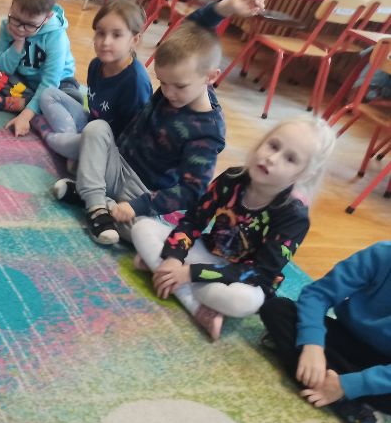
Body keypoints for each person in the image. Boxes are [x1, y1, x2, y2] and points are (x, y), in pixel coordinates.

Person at [52, 0, 266, 246]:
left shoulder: (207, 133)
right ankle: (98, 206)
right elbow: (193, 27)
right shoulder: (180, 77)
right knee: (97, 128)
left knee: (143, 235)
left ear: (210, 77)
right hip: (118, 162)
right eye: (163, 83)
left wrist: (138, 206)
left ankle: (90, 196)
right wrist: (229, 6)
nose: (169, 93)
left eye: (179, 86)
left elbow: (192, 190)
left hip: (142, 190)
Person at [131, 117, 336, 341]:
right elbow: (193, 221)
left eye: (290, 159)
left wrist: (190, 273)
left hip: (245, 280)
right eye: (273, 145)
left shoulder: (294, 217)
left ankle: (161, 271)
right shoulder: (231, 178)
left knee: (244, 301)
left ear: (304, 174)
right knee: (142, 227)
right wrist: (174, 257)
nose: (272, 158)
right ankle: (190, 297)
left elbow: (260, 272)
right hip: (210, 253)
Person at [260, 242, 391, 423]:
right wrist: (313, 344)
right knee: (277, 309)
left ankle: (331, 384)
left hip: (383, 371)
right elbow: (318, 294)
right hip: (346, 338)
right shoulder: (382, 254)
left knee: (291, 337)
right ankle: (356, 407)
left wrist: (349, 384)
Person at [34, 0, 152, 170]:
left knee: (63, 139)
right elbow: (91, 113)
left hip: (108, 146)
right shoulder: (96, 65)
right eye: (101, 33)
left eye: (116, 35)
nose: (105, 41)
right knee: (49, 95)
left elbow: (132, 137)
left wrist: (91, 144)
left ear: (134, 40)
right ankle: (72, 147)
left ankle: (52, 137)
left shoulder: (136, 82)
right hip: (90, 124)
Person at [0, 0, 78, 138]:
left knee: (68, 98)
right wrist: (18, 43)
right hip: (25, 80)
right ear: (12, 3)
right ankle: (31, 106)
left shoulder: (56, 37)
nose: (20, 28)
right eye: (16, 19)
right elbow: (3, 68)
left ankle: (20, 105)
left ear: (47, 17)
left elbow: (51, 82)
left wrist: (25, 117)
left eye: (30, 25)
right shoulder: (7, 25)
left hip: (58, 84)